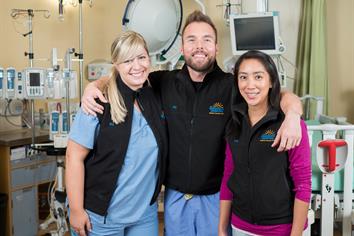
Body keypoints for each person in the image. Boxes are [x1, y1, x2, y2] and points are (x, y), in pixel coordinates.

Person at [80, 11, 303, 236]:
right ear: (182, 47)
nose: (199, 46)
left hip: (216, 198)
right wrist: (95, 86)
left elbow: (275, 92)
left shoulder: (232, 85)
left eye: (206, 40)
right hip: (175, 199)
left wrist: (293, 114)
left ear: (216, 47)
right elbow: (125, 76)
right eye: (191, 40)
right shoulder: (162, 82)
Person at [65, 31, 167, 236]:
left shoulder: (153, 95)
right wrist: (76, 210)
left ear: (149, 58)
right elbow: (73, 157)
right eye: (128, 60)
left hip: (143, 215)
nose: (137, 66)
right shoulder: (98, 102)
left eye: (141, 57)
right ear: (116, 64)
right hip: (100, 217)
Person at [218, 50, 311, 236]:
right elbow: (229, 175)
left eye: (258, 77)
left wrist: (296, 234)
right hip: (240, 226)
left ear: (271, 82)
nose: (250, 85)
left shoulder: (290, 124)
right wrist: (222, 228)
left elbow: (303, 184)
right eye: (243, 77)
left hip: (281, 229)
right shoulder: (235, 123)